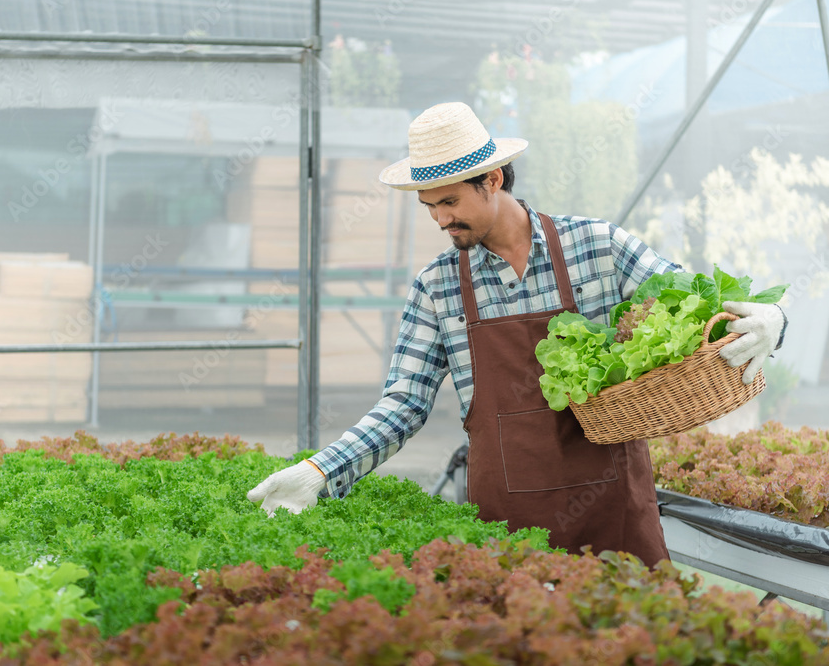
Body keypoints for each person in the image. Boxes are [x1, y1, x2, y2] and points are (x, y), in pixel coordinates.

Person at [247, 102, 787, 567]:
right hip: (508, 524)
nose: (439, 219)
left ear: (494, 179)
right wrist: (321, 470)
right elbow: (404, 405)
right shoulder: (437, 288)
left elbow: (697, 304)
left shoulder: (598, 249)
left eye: (450, 201)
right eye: (429, 205)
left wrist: (773, 320)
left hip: (614, 515)